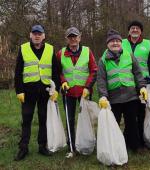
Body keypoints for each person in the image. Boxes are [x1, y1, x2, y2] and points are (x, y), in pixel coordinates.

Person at [97, 29, 148, 152]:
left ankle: (134, 146)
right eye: (112, 41)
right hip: (113, 98)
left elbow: (138, 73)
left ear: (121, 42)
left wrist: (142, 87)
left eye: (117, 41)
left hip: (131, 96)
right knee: (114, 124)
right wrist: (103, 96)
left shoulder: (129, 55)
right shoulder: (103, 60)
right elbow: (101, 80)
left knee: (132, 123)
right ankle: (114, 148)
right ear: (107, 44)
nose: (115, 43)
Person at [14, 24, 60, 161]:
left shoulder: (50, 49)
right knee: (26, 119)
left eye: (39, 33)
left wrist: (55, 89)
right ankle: (23, 148)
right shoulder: (23, 49)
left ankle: (42, 146)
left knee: (43, 118)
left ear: (44, 36)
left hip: (45, 92)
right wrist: (19, 90)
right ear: (30, 35)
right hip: (27, 92)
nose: (37, 35)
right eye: (34, 33)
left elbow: (55, 72)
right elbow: (18, 72)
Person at [56, 26, 97, 153]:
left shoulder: (87, 51)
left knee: (86, 118)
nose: (73, 39)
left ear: (80, 37)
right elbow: (58, 72)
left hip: (84, 92)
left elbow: (93, 70)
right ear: (67, 39)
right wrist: (62, 82)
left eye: (75, 36)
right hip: (68, 92)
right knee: (70, 119)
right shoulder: (60, 53)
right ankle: (72, 145)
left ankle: (88, 143)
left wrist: (88, 87)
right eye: (70, 37)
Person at [122, 20, 150, 148]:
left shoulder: (147, 45)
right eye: (132, 28)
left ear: (141, 31)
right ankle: (129, 139)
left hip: (143, 84)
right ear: (129, 31)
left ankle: (142, 140)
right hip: (127, 84)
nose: (135, 30)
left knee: (142, 113)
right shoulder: (121, 43)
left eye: (137, 28)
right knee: (129, 114)